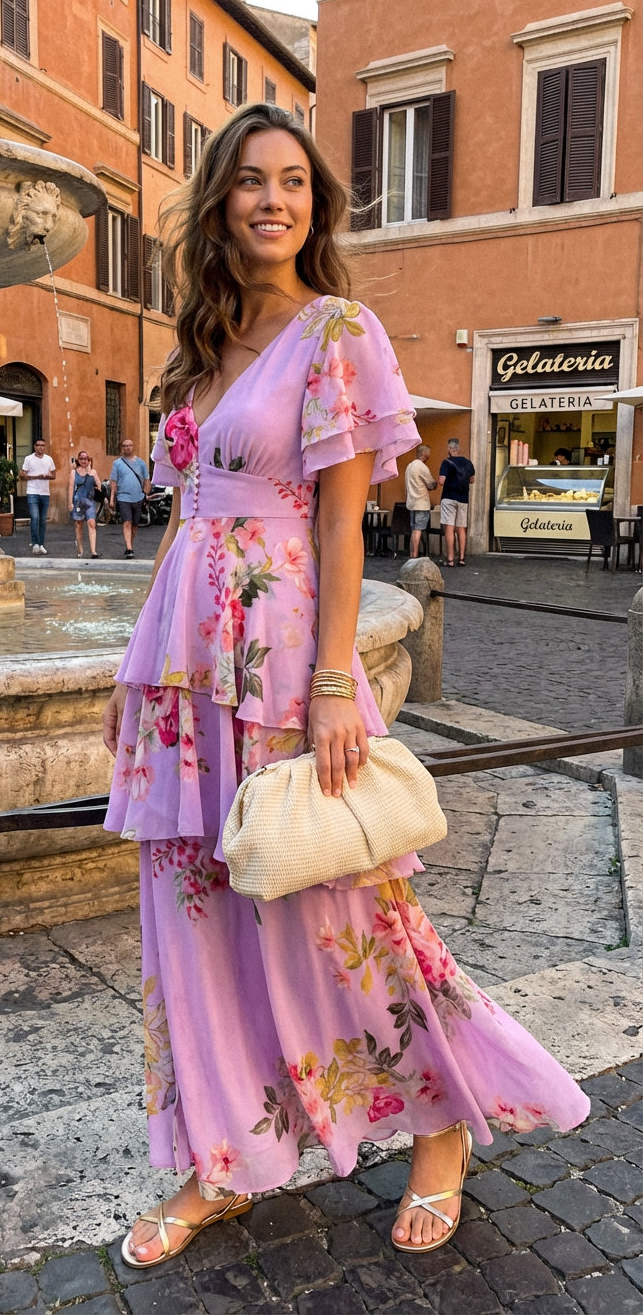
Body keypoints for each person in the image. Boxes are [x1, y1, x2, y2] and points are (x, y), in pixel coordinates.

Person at [102, 103, 589, 1269]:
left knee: (348, 913)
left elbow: (338, 523)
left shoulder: (338, 331)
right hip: (181, 667)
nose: (274, 199)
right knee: (197, 922)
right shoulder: (198, 343)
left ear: (313, 210)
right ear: (218, 199)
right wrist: (136, 668)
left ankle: (441, 1125)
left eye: (296, 185)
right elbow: (182, 522)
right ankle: (223, 1154)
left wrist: (332, 682)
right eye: (252, 182)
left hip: (277, 660)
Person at [109, 439, 151, 558]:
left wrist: (146, 494)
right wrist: (112, 498)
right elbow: (113, 482)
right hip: (123, 497)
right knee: (127, 521)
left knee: (135, 524)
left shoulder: (141, 463)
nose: (127, 448)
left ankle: (130, 545)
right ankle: (129, 548)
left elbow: (146, 479)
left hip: (138, 497)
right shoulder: (117, 463)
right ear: (122, 448)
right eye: (125, 446)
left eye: (129, 446)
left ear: (133, 447)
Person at [438, 438, 475, 567]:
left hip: (449, 497)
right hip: (463, 499)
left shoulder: (446, 462)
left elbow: (441, 481)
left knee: (449, 528)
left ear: (449, 449)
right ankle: (462, 558)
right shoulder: (468, 463)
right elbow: (472, 480)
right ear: (458, 449)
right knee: (461, 528)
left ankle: (450, 559)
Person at [19, 437, 56, 554]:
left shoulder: (49, 459)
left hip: (45, 492)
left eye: (43, 445)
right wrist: (36, 476)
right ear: (34, 447)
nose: (41, 447)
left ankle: (41, 544)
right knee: (35, 518)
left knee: (43, 520)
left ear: (45, 447)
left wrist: (46, 476)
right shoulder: (28, 459)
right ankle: (35, 543)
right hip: (32, 491)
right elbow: (22, 475)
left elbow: (54, 475)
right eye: (38, 445)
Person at [405, 444, 437, 558]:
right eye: (428, 455)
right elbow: (431, 484)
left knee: (414, 530)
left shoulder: (409, 466)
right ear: (424, 454)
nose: (429, 457)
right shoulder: (422, 467)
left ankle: (411, 554)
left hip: (411, 503)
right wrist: (436, 483)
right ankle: (414, 555)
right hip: (421, 503)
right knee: (418, 530)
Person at [69, 450, 103, 558]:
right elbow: (70, 488)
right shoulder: (74, 472)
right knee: (79, 525)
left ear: (89, 460)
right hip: (78, 501)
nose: (84, 461)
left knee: (92, 523)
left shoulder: (93, 472)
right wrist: (69, 503)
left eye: (86, 459)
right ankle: (80, 549)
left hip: (90, 501)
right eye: (82, 459)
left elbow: (99, 486)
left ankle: (93, 551)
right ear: (78, 460)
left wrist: (91, 475)